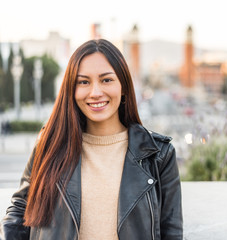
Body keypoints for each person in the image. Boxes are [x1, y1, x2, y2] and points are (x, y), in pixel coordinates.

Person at [0, 39, 183, 240]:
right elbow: (19, 210)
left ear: (123, 87)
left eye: (106, 80)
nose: (95, 93)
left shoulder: (159, 155)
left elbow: (171, 232)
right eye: (83, 82)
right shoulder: (49, 143)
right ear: (71, 89)